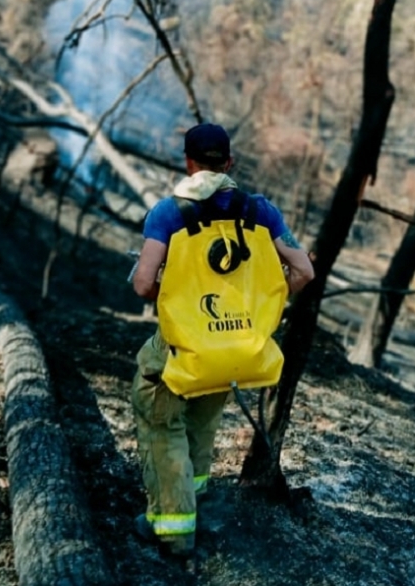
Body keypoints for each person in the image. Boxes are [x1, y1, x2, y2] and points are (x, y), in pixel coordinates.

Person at [130, 122, 314, 560]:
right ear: (229, 163)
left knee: (158, 417)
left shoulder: (168, 213)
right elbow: (304, 272)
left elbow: (141, 284)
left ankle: (172, 529)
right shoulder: (261, 211)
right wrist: (263, 310)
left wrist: (175, 302)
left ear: (188, 163)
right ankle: (195, 501)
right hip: (236, 349)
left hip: (185, 346)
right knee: (202, 421)